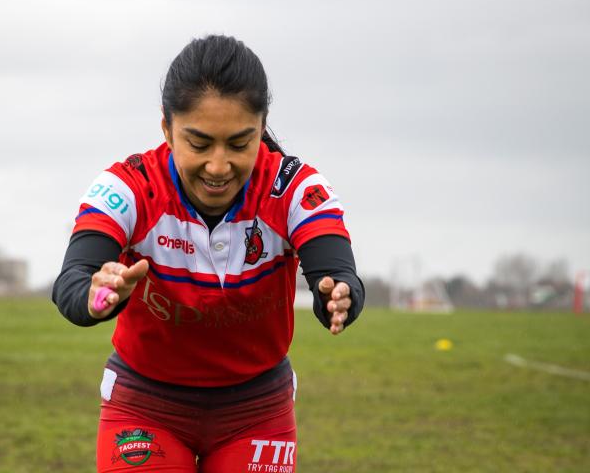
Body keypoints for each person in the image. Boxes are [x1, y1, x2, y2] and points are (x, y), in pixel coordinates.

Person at [52, 35, 365, 472]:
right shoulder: (128, 187)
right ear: (166, 127)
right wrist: (92, 294)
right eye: (199, 144)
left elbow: (335, 269)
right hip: (145, 405)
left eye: (239, 144)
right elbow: (72, 280)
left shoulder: (295, 188)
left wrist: (338, 295)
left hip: (257, 410)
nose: (218, 167)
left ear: (262, 126)